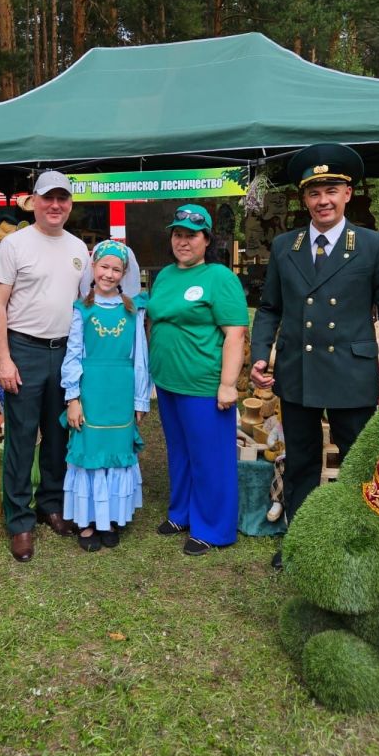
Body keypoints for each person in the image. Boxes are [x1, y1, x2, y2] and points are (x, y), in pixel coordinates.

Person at [250, 143, 379, 569]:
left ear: (348, 194)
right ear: (304, 199)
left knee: (358, 462)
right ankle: (300, 542)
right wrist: (259, 355)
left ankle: (364, 542)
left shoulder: (374, 246)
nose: (323, 200)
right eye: (314, 193)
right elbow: (270, 308)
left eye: (332, 190)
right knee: (300, 461)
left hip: (351, 374)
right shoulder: (286, 246)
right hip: (298, 371)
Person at [0, 170, 90, 562]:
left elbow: (83, 308)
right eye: (48, 198)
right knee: (21, 437)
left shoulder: (80, 248)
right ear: (33, 201)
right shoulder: (15, 245)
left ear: (70, 204)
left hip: (65, 352)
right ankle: (19, 521)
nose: (55, 205)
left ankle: (51, 503)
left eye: (62, 199)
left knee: (57, 433)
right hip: (24, 349)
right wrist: (3, 358)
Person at [147, 204, 249, 556]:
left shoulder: (219, 278)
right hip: (168, 382)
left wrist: (228, 383)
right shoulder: (164, 276)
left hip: (204, 384)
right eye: (178, 234)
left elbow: (235, 334)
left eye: (191, 235)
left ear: (207, 240)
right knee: (180, 452)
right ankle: (182, 513)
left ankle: (213, 528)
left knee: (210, 457)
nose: (183, 241)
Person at [61, 240, 150, 552]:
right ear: (93, 267)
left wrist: (140, 399)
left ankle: (110, 519)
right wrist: (73, 398)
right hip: (92, 390)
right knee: (90, 452)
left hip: (121, 390)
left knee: (116, 453)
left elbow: (140, 355)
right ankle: (87, 522)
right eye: (104, 267)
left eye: (116, 269)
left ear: (124, 273)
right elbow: (73, 355)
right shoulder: (82, 309)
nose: (109, 274)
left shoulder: (133, 309)